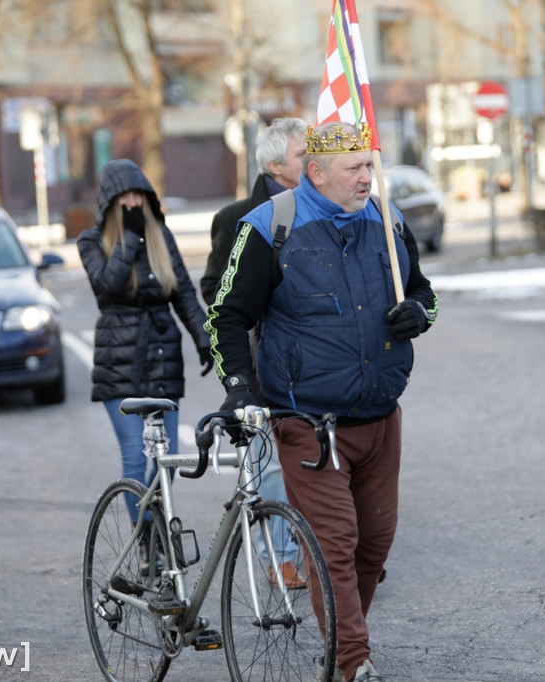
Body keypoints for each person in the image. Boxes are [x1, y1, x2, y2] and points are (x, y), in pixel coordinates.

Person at [206, 121, 437, 682]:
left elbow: (423, 292)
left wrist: (419, 314)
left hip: (380, 416)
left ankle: (336, 647)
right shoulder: (270, 226)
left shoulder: (387, 219)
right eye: (354, 168)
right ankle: (351, 661)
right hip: (308, 421)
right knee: (334, 544)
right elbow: (227, 315)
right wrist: (238, 384)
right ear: (316, 172)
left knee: (374, 545)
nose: (367, 178)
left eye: (369, 165)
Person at [201, 117, 308, 589]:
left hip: (311, 360)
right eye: (303, 154)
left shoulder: (322, 210)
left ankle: (330, 550)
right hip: (259, 361)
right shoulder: (235, 219)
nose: (313, 160)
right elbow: (215, 290)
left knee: (314, 456)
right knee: (267, 464)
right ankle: (279, 556)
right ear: (275, 165)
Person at [78, 159, 212, 533]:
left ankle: (153, 525)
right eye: (125, 197)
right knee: (135, 458)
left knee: (168, 459)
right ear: (110, 202)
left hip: (162, 357)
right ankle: (147, 536)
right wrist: (130, 238)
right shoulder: (92, 241)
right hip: (118, 360)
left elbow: (183, 293)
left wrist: (203, 336)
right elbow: (109, 286)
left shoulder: (161, 236)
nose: (134, 203)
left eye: (139, 195)